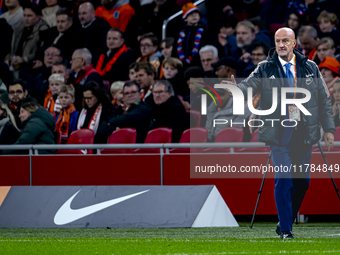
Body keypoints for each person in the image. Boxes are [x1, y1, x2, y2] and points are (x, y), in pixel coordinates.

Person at [222, 27, 335, 239]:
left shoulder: (310, 66)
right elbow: (250, 85)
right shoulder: (265, 67)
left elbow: (324, 100)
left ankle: (284, 220)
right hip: (279, 133)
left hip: (304, 133)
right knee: (284, 179)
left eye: (285, 40)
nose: (281, 44)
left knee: (303, 182)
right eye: (277, 41)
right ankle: (286, 230)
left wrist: (328, 129)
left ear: (294, 44)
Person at [5, 2, 49, 70]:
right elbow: (11, 48)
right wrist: (8, 58)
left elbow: (41, 53)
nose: (26, 18)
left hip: (30, 66)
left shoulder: (43, 29)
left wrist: (24, 59)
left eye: (29, 16)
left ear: (38, 16)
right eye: (24, 15)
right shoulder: (20, 27)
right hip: (15, 64)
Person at [177, 3, 209, 69]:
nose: (194, 15)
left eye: (196, 13)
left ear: (199, 17)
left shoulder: (204, 32)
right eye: (191, 14)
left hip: (198, 66)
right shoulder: (181, 33)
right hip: (182, 66)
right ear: (185, 18)